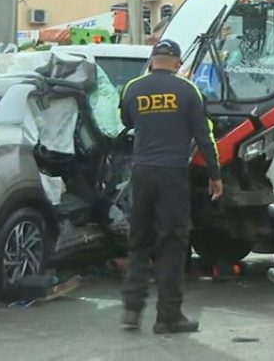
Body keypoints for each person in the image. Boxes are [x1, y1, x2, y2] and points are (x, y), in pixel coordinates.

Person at [119, 39, 223, 334]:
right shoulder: (188, 90)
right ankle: (168, 316)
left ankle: (131, 309)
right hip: (172, 174)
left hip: (141, 173)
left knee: (139, 240)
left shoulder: (133, 88)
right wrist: (215, 175)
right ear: (177, 62)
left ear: (152, 60)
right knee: (172, 242)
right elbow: (205, 135)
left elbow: (126, 120)